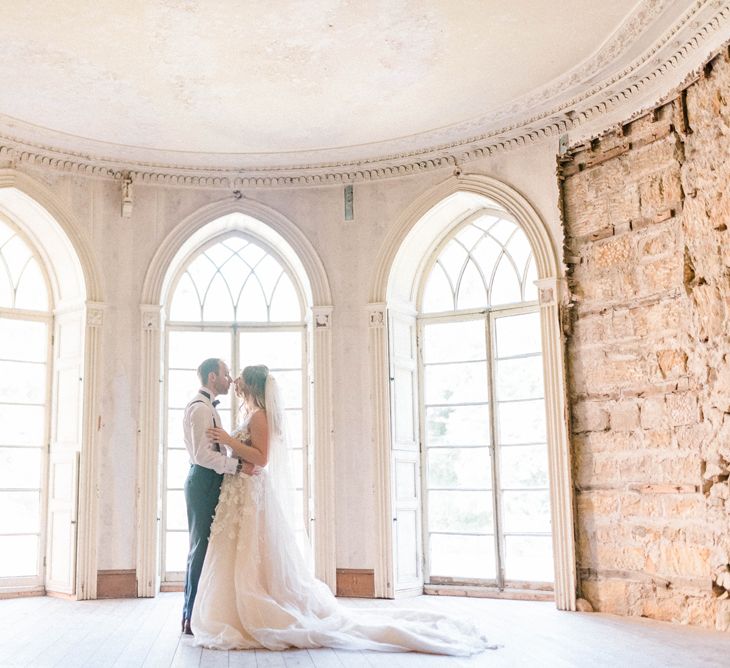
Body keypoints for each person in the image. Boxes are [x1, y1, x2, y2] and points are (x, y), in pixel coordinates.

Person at [191, 364, 494, 655]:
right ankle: (231, 605)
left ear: (252, 385)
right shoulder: (251, 413)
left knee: (250, 549)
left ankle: (255, 604)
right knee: (240, 549)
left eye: (241, 378)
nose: (235, 381)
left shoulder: (259, 416)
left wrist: (229, 441)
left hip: (250, 489)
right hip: (241, 488)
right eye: (234, 376)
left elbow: (262, 458)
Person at [181, 358, 250, 635]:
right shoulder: (200, 409)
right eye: (226, 373)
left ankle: (201, 612)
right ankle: (189, 616)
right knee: (199, 547)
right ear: (212, 377)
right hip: (203, 480)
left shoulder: (209, 407)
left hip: (211, 479)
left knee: (207, 547)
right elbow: (202, 455)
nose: (229, 379)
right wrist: (238, 466)